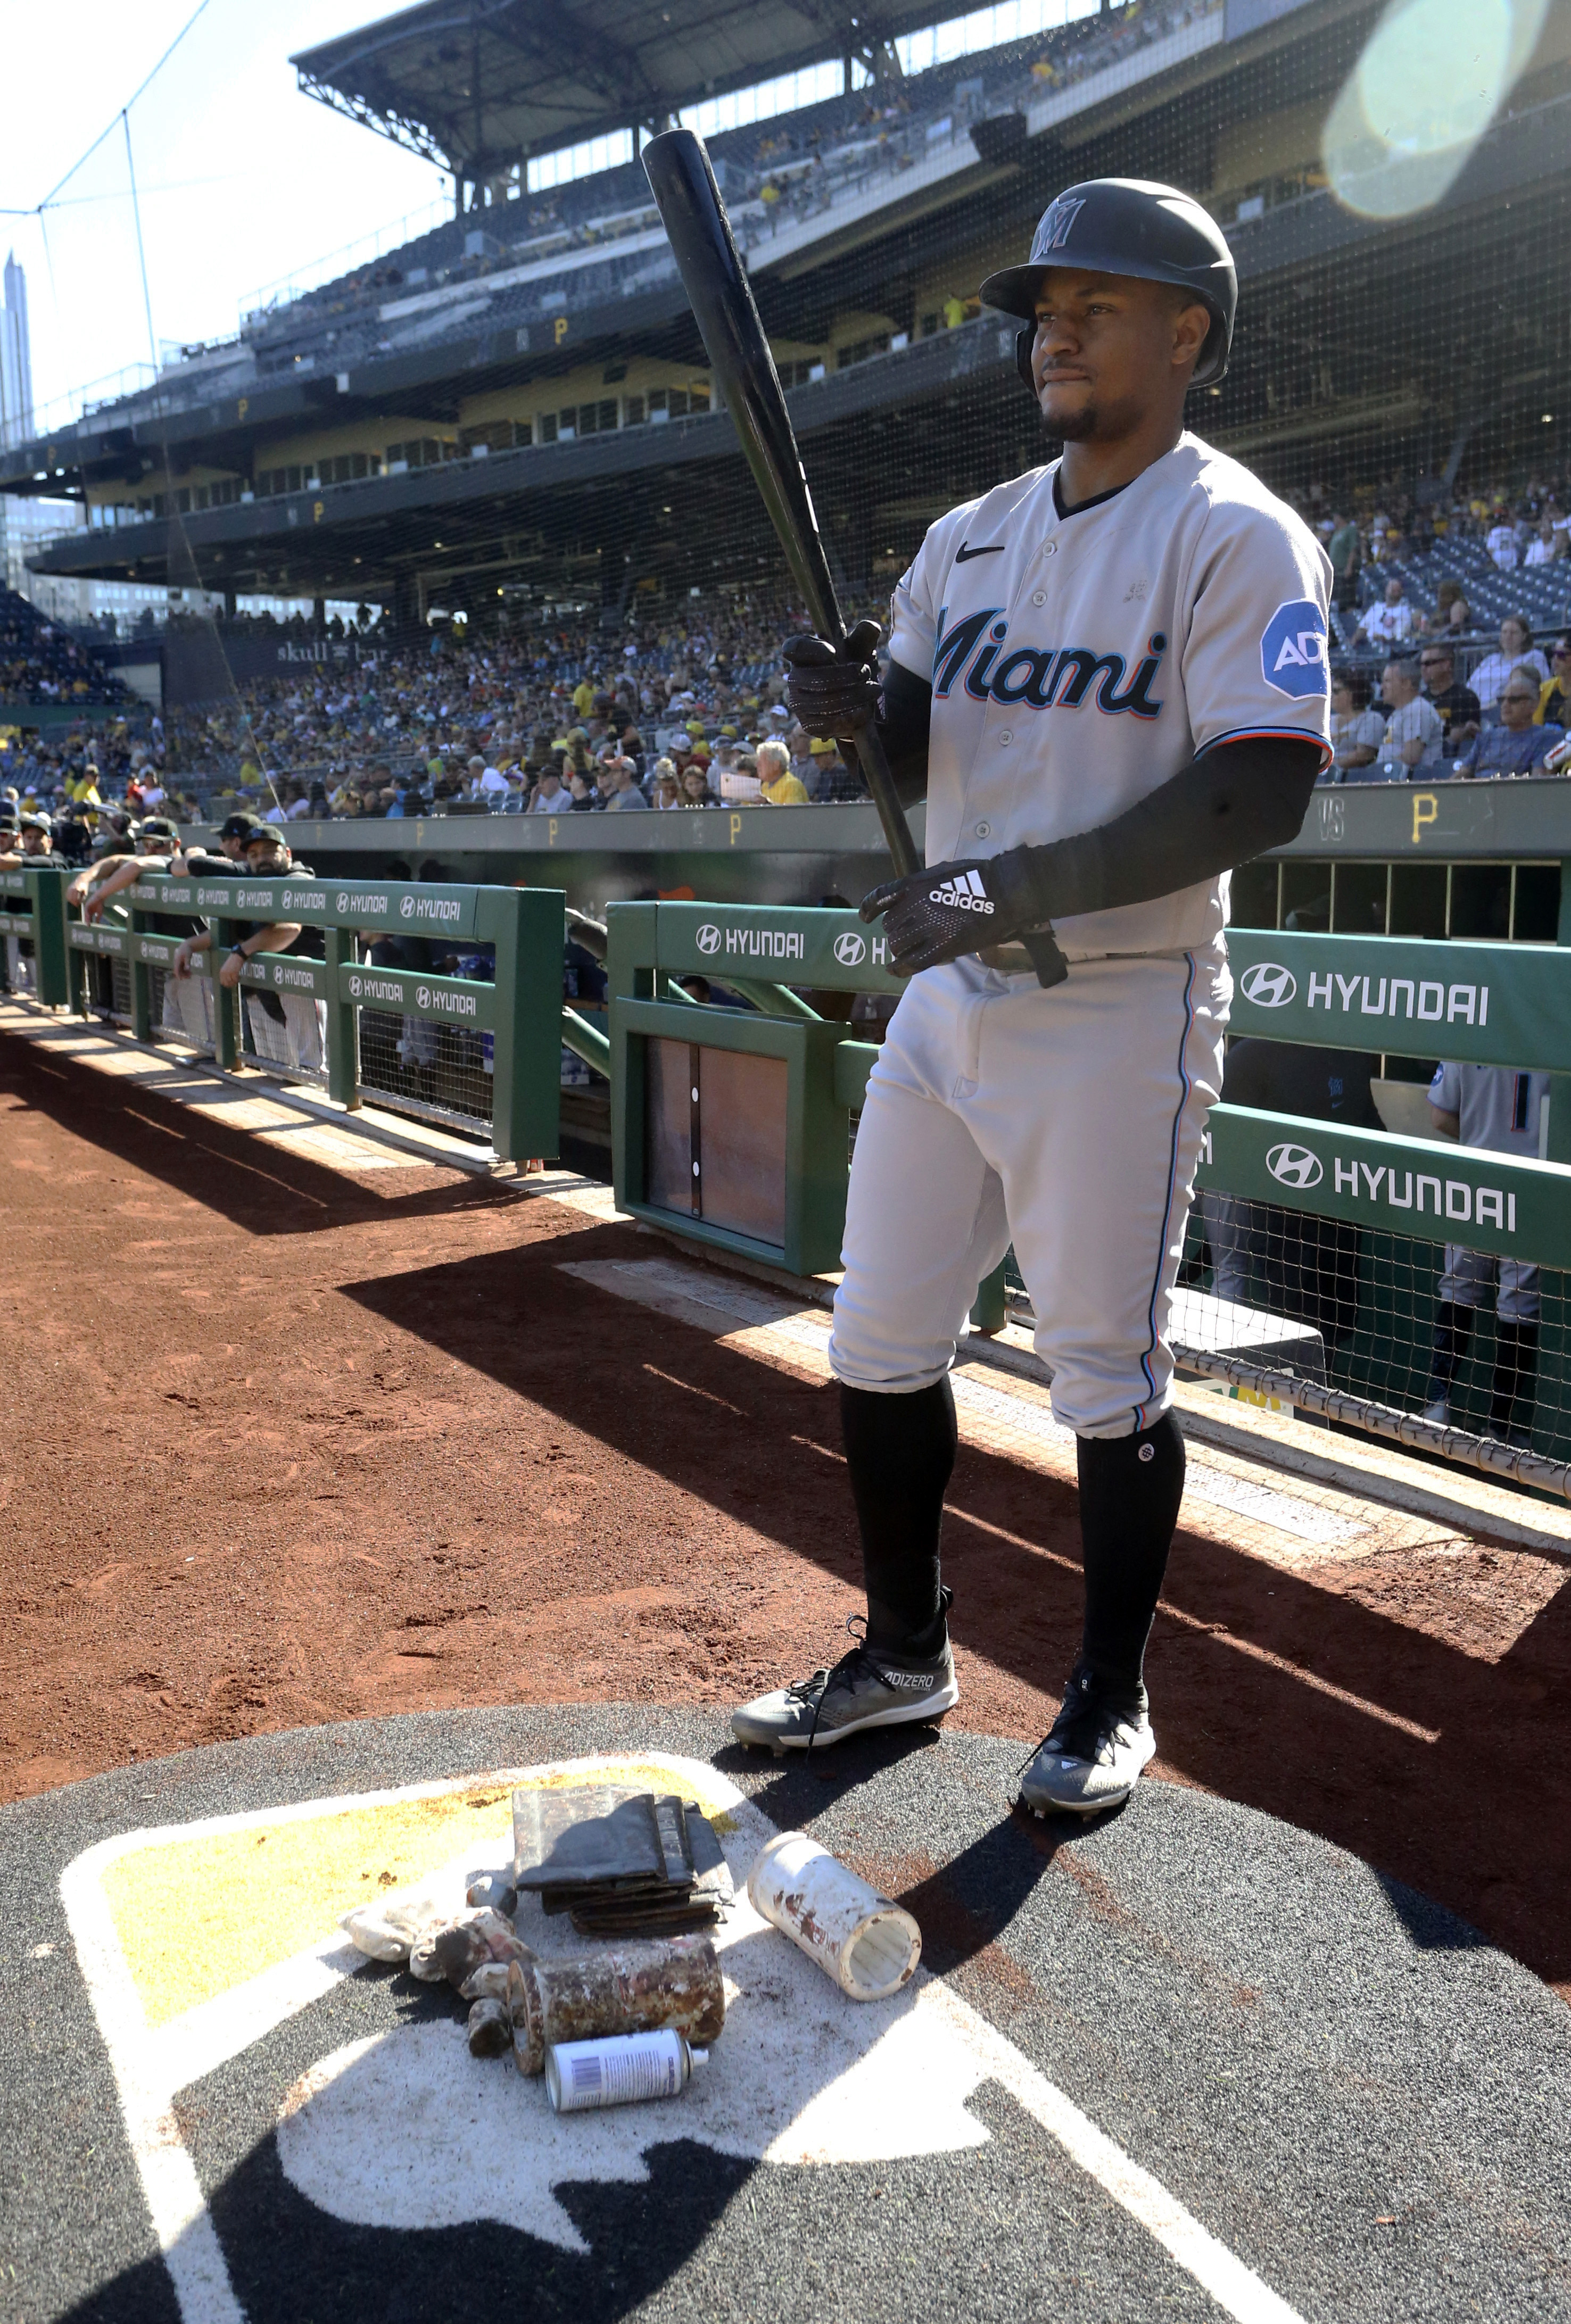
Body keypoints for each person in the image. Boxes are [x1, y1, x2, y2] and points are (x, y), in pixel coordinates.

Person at [731, 179, 1330, 1819]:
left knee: (1104, 1374)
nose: (1054, 330)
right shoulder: (969, 536)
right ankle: (905, 1653)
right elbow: (906, 754)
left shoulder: (1236, 531)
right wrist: (842, 712)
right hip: (955, 996)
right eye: (1043, 309)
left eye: (1099, 304)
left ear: (1187, 332)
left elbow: (1259, 793)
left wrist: (998, 886)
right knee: (873, 1341)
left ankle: (1109, 1693)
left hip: (1121, 1000)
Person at [1423, 1063, 1547, 1446]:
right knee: (1518, 1306)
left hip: (1476, 1179)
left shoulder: (1473, 1021)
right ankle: (1500, 1424)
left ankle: (1437, 1403)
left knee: (1459, 1290)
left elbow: (1440, 1117)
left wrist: (1482, 1135)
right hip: (1535, 1183)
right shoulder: (1556, 1030)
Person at [171, 826, 325, 1075]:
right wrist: (189, 944)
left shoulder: (298, 877)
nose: (261, 859)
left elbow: (289, 928)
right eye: (253, 855)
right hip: (269, 993)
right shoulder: (252, 878)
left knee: (311, 1079)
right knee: (277, 1075)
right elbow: (231, 930)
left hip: (313, 993)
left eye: (269, 852)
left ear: (287, 853)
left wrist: (240, 954)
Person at [1456, 669, 1565, 777]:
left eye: (1514, 700)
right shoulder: (1486, 738)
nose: (1505, 705)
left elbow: (1537, 783)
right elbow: (1459, 777)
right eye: (1502, 699)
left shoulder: (1546, 737)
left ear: (1534, 704)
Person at [1375, 654, 1443, 778]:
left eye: (1388, 681)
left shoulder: (1418, 709)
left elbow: (1412, 756)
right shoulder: (1396, 714)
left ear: (1406, 684)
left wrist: (1377, 770)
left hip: (1413, 783)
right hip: (1390, 779)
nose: (1382, 687)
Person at [1471, 613, 1548, 713]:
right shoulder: (1490, 660)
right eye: (1504, 632)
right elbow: (1470, 685)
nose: (1508, 637)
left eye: (1514, 633)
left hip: (1507, 710)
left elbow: (1539, 688)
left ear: (1524, 636)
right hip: (1476, 709)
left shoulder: (1534, 657)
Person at [1418, 642, 1481, 758]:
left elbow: (1456, 737)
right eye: (1421, 664)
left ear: (1446, 665)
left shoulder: (1464, 696)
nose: (1423, 669)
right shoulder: (1419, 700)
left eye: (1428, 664)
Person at [1328, 668, 1383, 778]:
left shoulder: (1372, 719)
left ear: (1352, 693)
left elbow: (1364, 755)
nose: (1331, 695)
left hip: (1355, 779)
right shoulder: (1328, 721)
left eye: (1336, 691)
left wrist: (1329, 767)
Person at [1353, 576, 1419, 652]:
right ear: (1386, 589)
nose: (1393, 590)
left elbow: (1399, 638)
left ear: (1401, 592)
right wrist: (1354, 641)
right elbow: (1362, 628)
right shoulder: (1376, 607)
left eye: (1396, 589)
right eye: (1391, 587)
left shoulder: (1404, 611)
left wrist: (1383, 639)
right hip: (1367, 646)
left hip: (1386, 649)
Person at [1326, 511, 1361, 612]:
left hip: (1345, 570)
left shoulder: (1350, 530)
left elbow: (1353, 549)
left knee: (1347, 600)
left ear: (1339, 517)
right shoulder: (1336, 533)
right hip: (1336, 572)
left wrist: (1349, 567)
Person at [757, 737, 808, 804]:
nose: (757, 765)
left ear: (776, 765)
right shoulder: (765, 785)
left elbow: (792, 813)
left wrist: (767, 804)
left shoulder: (792, 785)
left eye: (762, 762)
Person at [1535, 633, 1571, 726]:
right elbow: (1537, 727)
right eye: (1554, 654)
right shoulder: (1545, 689)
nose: (1555, 659)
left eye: (1561, 655)